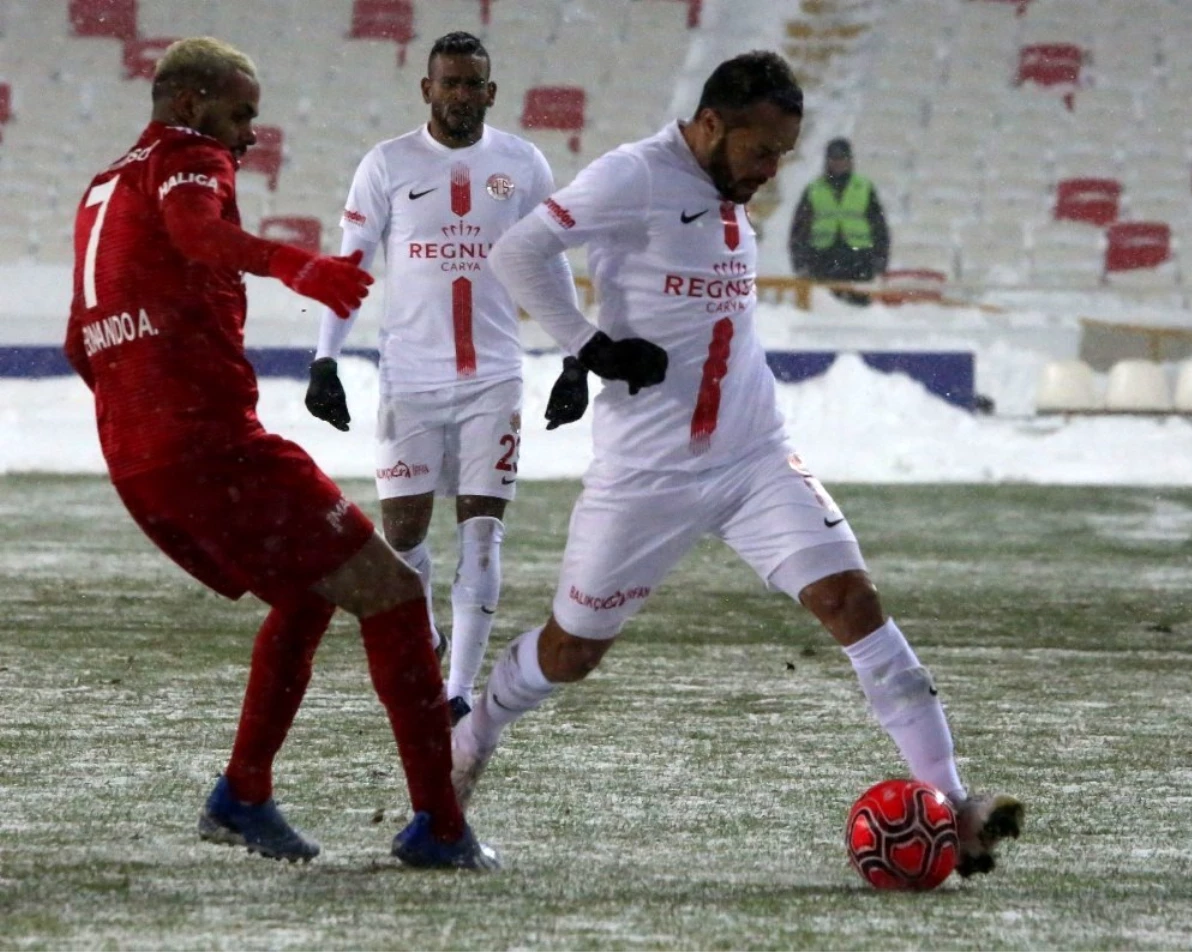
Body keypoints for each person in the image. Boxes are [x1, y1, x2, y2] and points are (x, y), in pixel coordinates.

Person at [454, 51, 1023, 879]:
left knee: (850, 601)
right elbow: (519, 252)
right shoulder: (635, 176)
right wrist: (591, 347)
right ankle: (471, 733)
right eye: (762, 151)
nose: (771, 171)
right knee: (573, 652)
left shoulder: (728, 190)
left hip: (754, 453)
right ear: (712, 124)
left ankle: (955, 805)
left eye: (783, 154)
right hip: (647, 472)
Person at [62, 36, 496, 871]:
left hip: (138, 458)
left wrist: (143, 411)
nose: (248, 133)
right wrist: (298, 265)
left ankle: (244, 795)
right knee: (395, 594)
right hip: (211, 445)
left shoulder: (101, 188)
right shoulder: (187, 158)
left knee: (307, 597)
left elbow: (80, 344)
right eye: (240, 112)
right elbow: (194, 232)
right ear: (190, 105)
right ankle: (440, 827)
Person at [305, 32, 581, 726]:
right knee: (402, 537)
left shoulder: (522, 164)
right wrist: (324, 359)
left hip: (494, 374)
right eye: (448, 83)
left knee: (483, 531)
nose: (461, 95)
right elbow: (352, 264)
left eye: (473, 84)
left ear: (491, 92)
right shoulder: (387, 163)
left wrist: (578, 354)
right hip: (410, 377)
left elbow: (550, 265)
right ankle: (427, 634)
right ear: (426, 89)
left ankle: (456, 693)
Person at [788, 137, 890, 305]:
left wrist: (880, 262)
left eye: (842, 158)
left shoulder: (864, 187)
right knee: (824, 307)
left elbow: (879, 228)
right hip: (822, 260)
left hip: (859, 261)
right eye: (834, 158)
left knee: (858, 314)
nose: (838, 163)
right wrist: (800, 264)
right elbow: (799, 230)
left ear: (850, 160)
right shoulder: (814, 189)